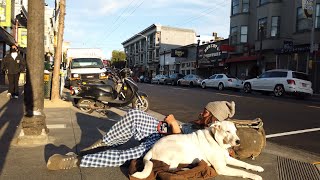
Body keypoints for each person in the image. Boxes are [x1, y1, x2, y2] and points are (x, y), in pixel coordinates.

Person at [47, 101, 235, 170]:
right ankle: (104, 143)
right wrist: (170, 124)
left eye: (205, 112)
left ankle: (75, 162)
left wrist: (172, 124)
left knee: (127, 155)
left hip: (169, 143)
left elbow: (184, 144)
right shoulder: (198, 125)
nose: (201, 113)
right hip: (165, 132)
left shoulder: (210, 135)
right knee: (136, 115)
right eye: (203, 110)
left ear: (213, 118)